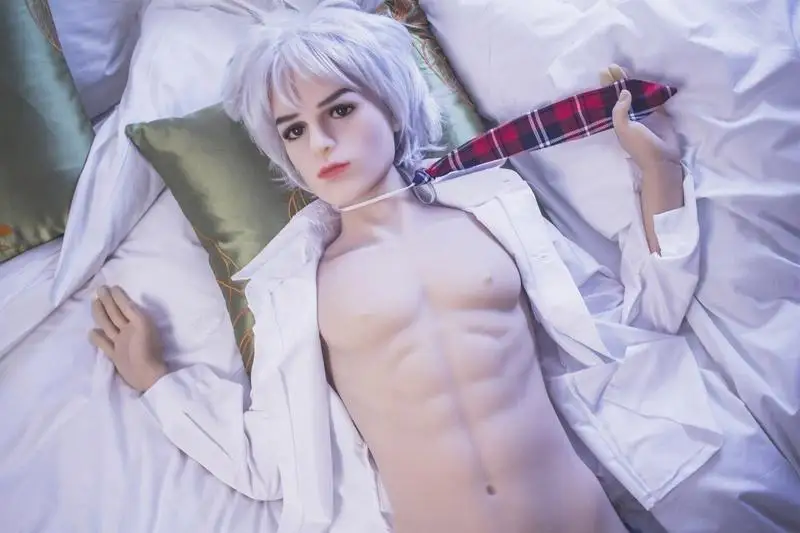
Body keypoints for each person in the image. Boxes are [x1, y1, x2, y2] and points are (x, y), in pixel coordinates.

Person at [88, 2, 800, 532]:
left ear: (393, 108)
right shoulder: (297, 286)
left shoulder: (495, 213)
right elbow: (278, 461)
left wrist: (659, 175)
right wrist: (157, 381)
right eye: (294, 130)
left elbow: (635, 323)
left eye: (340, 109)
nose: (321, 142)